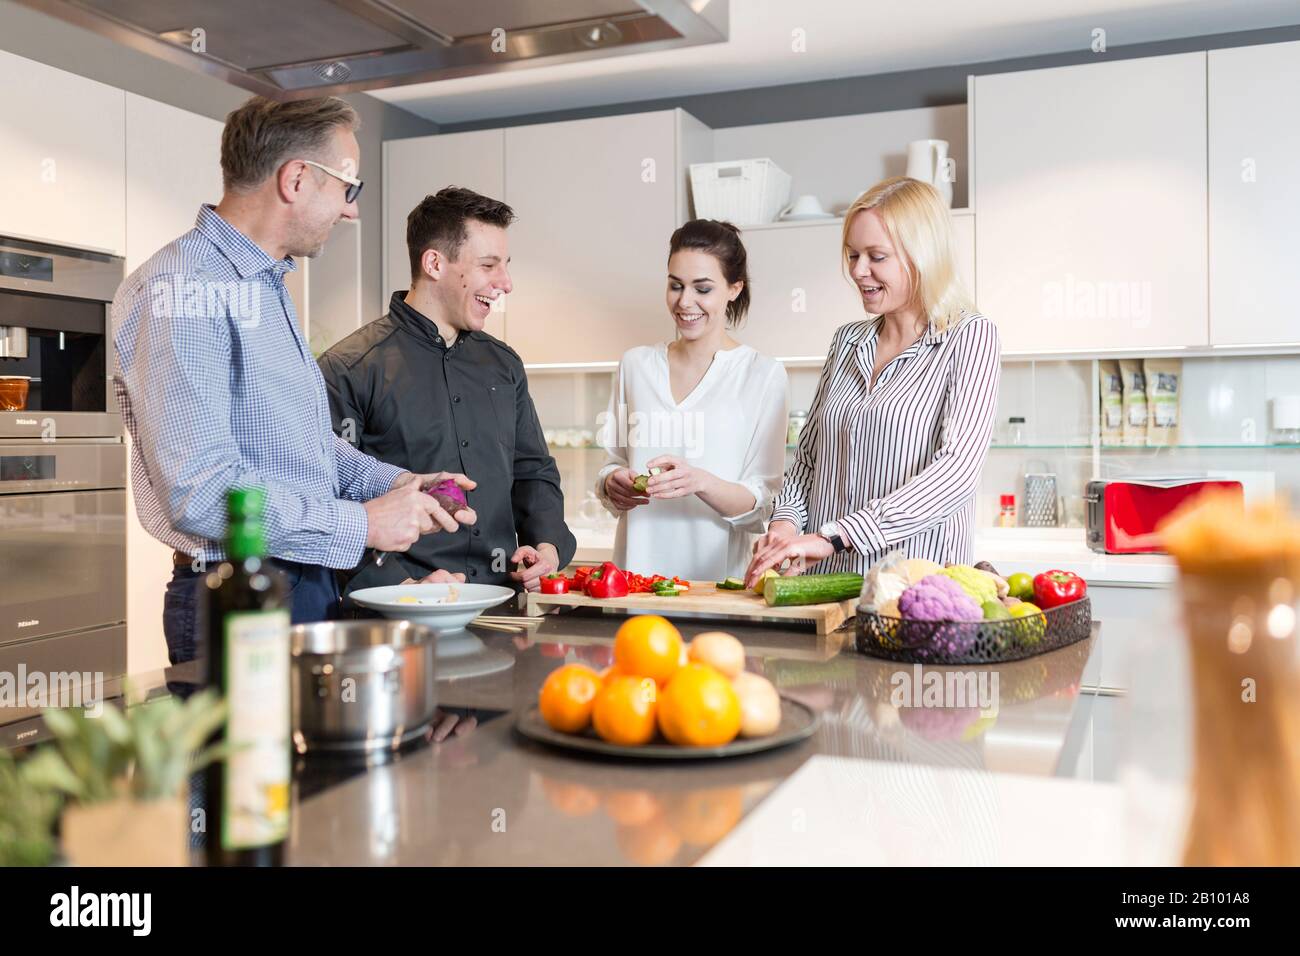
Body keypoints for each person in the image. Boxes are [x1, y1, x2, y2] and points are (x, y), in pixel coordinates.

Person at [113, 96, 474, 665]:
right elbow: (201, 492)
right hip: (237, 598)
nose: (352, 211)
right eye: (348, 188)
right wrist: (362, 522)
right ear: (297, 179)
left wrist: (401, 484)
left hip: (303, 585)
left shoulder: (266, 284)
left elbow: (305, 449)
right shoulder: (181, 288)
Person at [744, 176, 1000, 586]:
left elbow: (955, 473)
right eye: (852, 255)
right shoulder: (847, 340)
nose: (859, 272)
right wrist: (786, 526)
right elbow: (808, 459)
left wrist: (837, 537)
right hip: (821, 584)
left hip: (910, 591)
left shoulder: (968, 337)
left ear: (922, 256)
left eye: (876, 257)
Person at [319, 187, 575, 594]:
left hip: (500, 603)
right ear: (435, 263)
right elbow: (326, 496)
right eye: (488, 265)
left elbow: (533, 470)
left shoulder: (504, 365)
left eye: (505, 265)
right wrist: (401, 584)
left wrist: (546, 545)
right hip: (395, 608)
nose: (505, 283)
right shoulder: (348, 368)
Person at [596, 220, 787, 580]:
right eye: (675, 286)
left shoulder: (762, 374)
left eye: (703, 288)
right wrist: (611, 483)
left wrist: (700, 482)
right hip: (634, 582)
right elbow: (613, 462)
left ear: (734, 288)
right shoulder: (635, 365)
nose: (685, 302)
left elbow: (762, 503)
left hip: (716, 586)